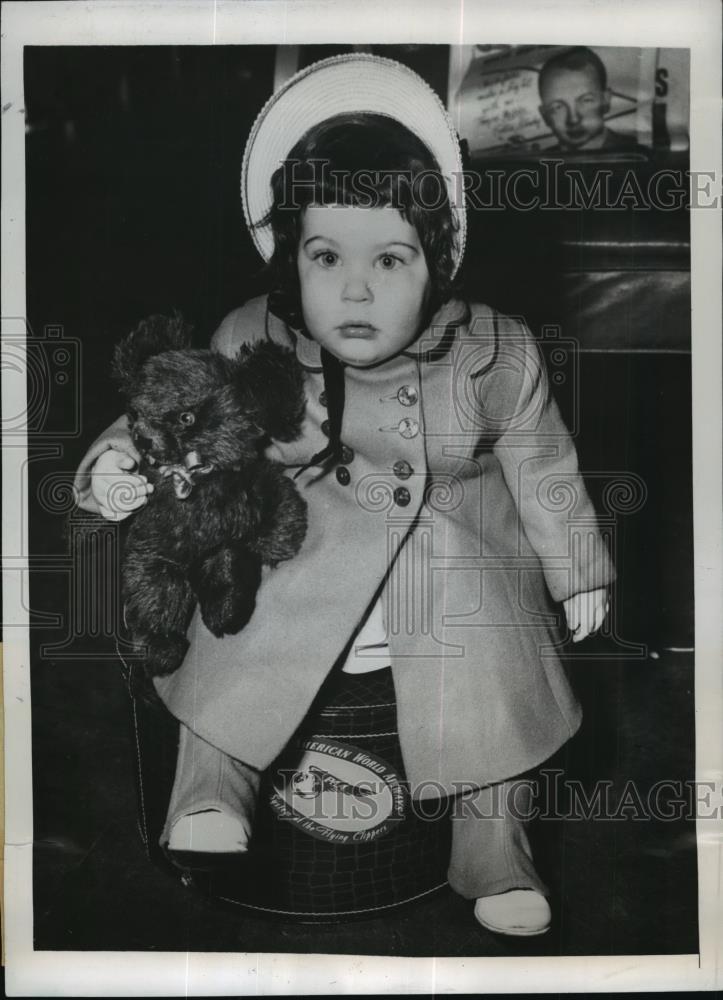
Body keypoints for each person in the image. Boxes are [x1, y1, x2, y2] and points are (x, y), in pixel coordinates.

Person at [73, 53, 614, 936]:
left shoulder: (496, 350)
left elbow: (541, 459)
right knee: (231, 630)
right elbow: (175, 412)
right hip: (302, 548)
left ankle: (493, 855)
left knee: (494, 689)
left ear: (439, 260)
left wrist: (574, 568)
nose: (354, 287)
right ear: (290, 254)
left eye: (390, 259)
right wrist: (114, 463)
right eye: (326, 255)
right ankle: (212, 795)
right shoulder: (251, 336)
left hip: (453, 559)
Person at [538, 46, 645, 153]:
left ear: (605, 100)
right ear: (544, 116)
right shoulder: (536, 161)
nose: (573, 119)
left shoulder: (638, 152)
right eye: (558, 107)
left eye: (586, 100)